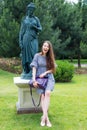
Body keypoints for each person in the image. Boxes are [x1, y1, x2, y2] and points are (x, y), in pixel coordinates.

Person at [30, 40, 56, 127]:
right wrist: (34, 80)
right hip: (40, 80)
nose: (45, 47)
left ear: (49, 49)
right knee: (43, 95)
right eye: (44, 46)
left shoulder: (50, 57)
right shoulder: (37, 56)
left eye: (47, 47)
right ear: (42, 46)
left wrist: (45, 73)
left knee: (47, 93)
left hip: (49, 78)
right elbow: (34, 67)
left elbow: (53, 68)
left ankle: (44, 117)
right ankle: (46, 118)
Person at [19, 2, 42, 79]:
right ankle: (27, 71)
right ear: (28, 10)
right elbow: (21, 32)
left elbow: (40, 29)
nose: (31, 12)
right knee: (26, 56)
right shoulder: (24, 20)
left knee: (34, 54)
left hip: (34, 39)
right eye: (30, 10)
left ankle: (33, 71)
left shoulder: (36, 19)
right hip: (26, 39)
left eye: (32, 10)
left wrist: (34, 27)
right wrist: (20, 42)